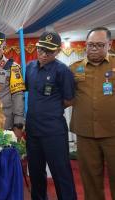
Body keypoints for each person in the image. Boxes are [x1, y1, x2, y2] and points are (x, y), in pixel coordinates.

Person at [25, 31, 77, 200]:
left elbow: (69, 100)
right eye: (41, 50)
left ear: (57, 51)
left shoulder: (63, 71)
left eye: (49, 51)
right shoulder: (30, 67)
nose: (44, 54)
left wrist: (51, 109)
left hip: (54, 131)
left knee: (61, 173)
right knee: (35, 173)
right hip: (33, 131)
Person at [70, 27, 115, 200]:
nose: (94, 48)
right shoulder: (74, 68)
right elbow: (65, 96)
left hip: (113, 132)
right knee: (90, 181)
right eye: (90, 45)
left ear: (109, 44)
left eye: (99, 45)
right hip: (85, 133)